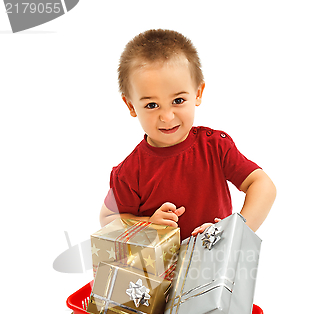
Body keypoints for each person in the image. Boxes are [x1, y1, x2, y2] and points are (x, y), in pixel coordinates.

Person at [100, 29, 276, 240]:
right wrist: (148, 223)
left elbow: (263, 185)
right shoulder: (130, 171)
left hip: (214, 265)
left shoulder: (215, 147)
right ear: (130, 105)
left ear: (198, 93)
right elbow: (108, 219)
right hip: (158, 271)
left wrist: (236, 232)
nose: (166, 117)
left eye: (178, 100)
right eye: (152, 105)